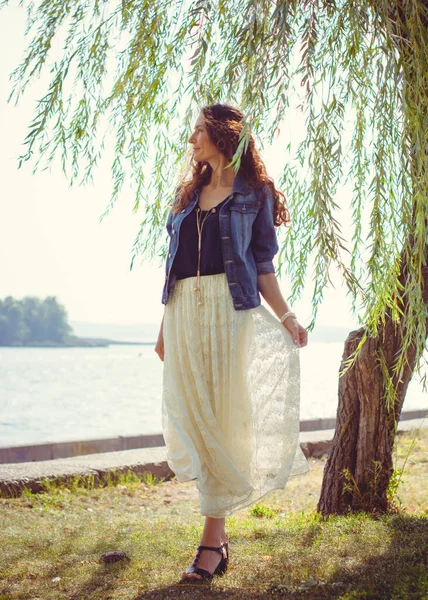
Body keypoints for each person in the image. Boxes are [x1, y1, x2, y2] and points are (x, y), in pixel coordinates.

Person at [154, 103, 310, 585]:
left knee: (220, 419)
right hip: (184, 313)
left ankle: (210, 543)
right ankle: (217, 540)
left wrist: (285, 315)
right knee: (192, 421)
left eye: (198, 131)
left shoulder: (254, 194)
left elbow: (263, 265)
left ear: (222, 136)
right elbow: (174, 265)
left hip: (228, 311)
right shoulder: (188, 194)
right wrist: (163, 325)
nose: (192, 141)